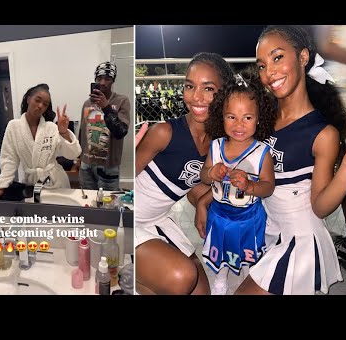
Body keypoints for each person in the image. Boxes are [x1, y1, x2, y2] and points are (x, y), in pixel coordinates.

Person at [235, 25, 346, 295]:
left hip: (301, 243)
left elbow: (320, 207)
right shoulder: (262, 117)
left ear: (303, 57)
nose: (269, 73)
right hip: (271, 233)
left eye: (277, 58)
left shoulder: (322, 133)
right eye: (262, 65)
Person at [134, 52, 234, 295]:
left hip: (159, 219)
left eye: (208, 88)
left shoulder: (217, 143)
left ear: (224, 94)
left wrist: (203, 200)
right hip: (131, 220)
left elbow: (187, 182)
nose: (197, 96)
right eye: (190, 86)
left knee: (200, 292)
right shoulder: (164, 132)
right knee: (182, 277)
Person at [195, 70, 276, 295]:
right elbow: (202, 175)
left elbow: (268, 186)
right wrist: (212, 172)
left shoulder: (262, 152)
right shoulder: (216, 146)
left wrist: (250, 186)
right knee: (222, 249)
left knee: (247, 250)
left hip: (249, 216)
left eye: (247, 118)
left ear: (258, 119)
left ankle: (252, 276)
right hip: (219, 214)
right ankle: (221, 277)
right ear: (221, 117)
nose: (239, 124)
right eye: (231, 117)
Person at [0, 83, 81, 198]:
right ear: (28, 99)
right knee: (36, 215)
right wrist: (1, 185)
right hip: (32, 184)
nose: (40, 106)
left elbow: (73, 154)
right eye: (37, 100)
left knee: (59, 215)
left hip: (57, 183)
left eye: (45, 104)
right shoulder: (14, 127)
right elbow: (9, 159)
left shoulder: (51, 127)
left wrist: (64, 132)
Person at [79, 61, 131, 190]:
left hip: (108, 166)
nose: (102, 82)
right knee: (87, 203)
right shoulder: (87, 103)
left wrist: (106, 107)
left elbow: (120, 131)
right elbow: (82, 133)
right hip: (86, 164)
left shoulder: (121, 101)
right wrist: (78, 159)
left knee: (108, 205)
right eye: (99, 78)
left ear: (113, 81)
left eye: (107, 79)